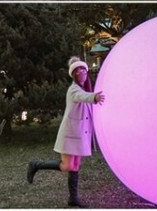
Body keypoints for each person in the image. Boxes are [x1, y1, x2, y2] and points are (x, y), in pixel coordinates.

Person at [26, 57, 105, 208]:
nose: (81, 71)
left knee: (75, 167)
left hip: (80, 135)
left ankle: (73, 198)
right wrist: (94, 97)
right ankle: (36, 164)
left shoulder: (84, 89)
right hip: (70, 135)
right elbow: (83, 97)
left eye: (83, 69)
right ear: (74, 75)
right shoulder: (74, 89)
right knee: (67, 166)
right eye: (77, 70)